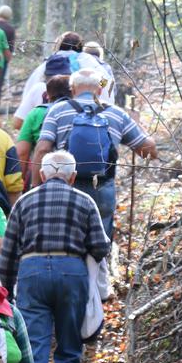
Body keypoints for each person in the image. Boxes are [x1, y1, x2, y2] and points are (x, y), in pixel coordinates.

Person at [0, 149, 110, 363]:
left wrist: (3, 294)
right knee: (69, 349)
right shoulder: (85, 201)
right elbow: (100, 246)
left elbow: (7, 255)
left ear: (42, 175)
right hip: (71, 273)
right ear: (73, 177)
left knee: (34, 351)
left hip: (31, 272)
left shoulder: (24, 202)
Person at [31, 68, 158, 239]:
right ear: (99, 90)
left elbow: (42, 149)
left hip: (65, 186)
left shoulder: (57, 110)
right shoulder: (116, 114)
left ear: (73, 89)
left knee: (64, 236)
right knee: (99, 240)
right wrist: (135, 124)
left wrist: (36, 186)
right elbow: (149, 152)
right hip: (102, 188)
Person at [12, 31, 111, 132]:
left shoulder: (49, 62)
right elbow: (106, 81)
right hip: (85, 117)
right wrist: (97, 94)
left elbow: (31, 88)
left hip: (45, 116)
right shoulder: (88, 61)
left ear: (59, 46)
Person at [15, 73, 72, 189]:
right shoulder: (78, 112)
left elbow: (22, 152)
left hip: (42, 172)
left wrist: (20, 183)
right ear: (73, 92)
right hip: (71, 172)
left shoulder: (36, 113)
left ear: (46, 95)